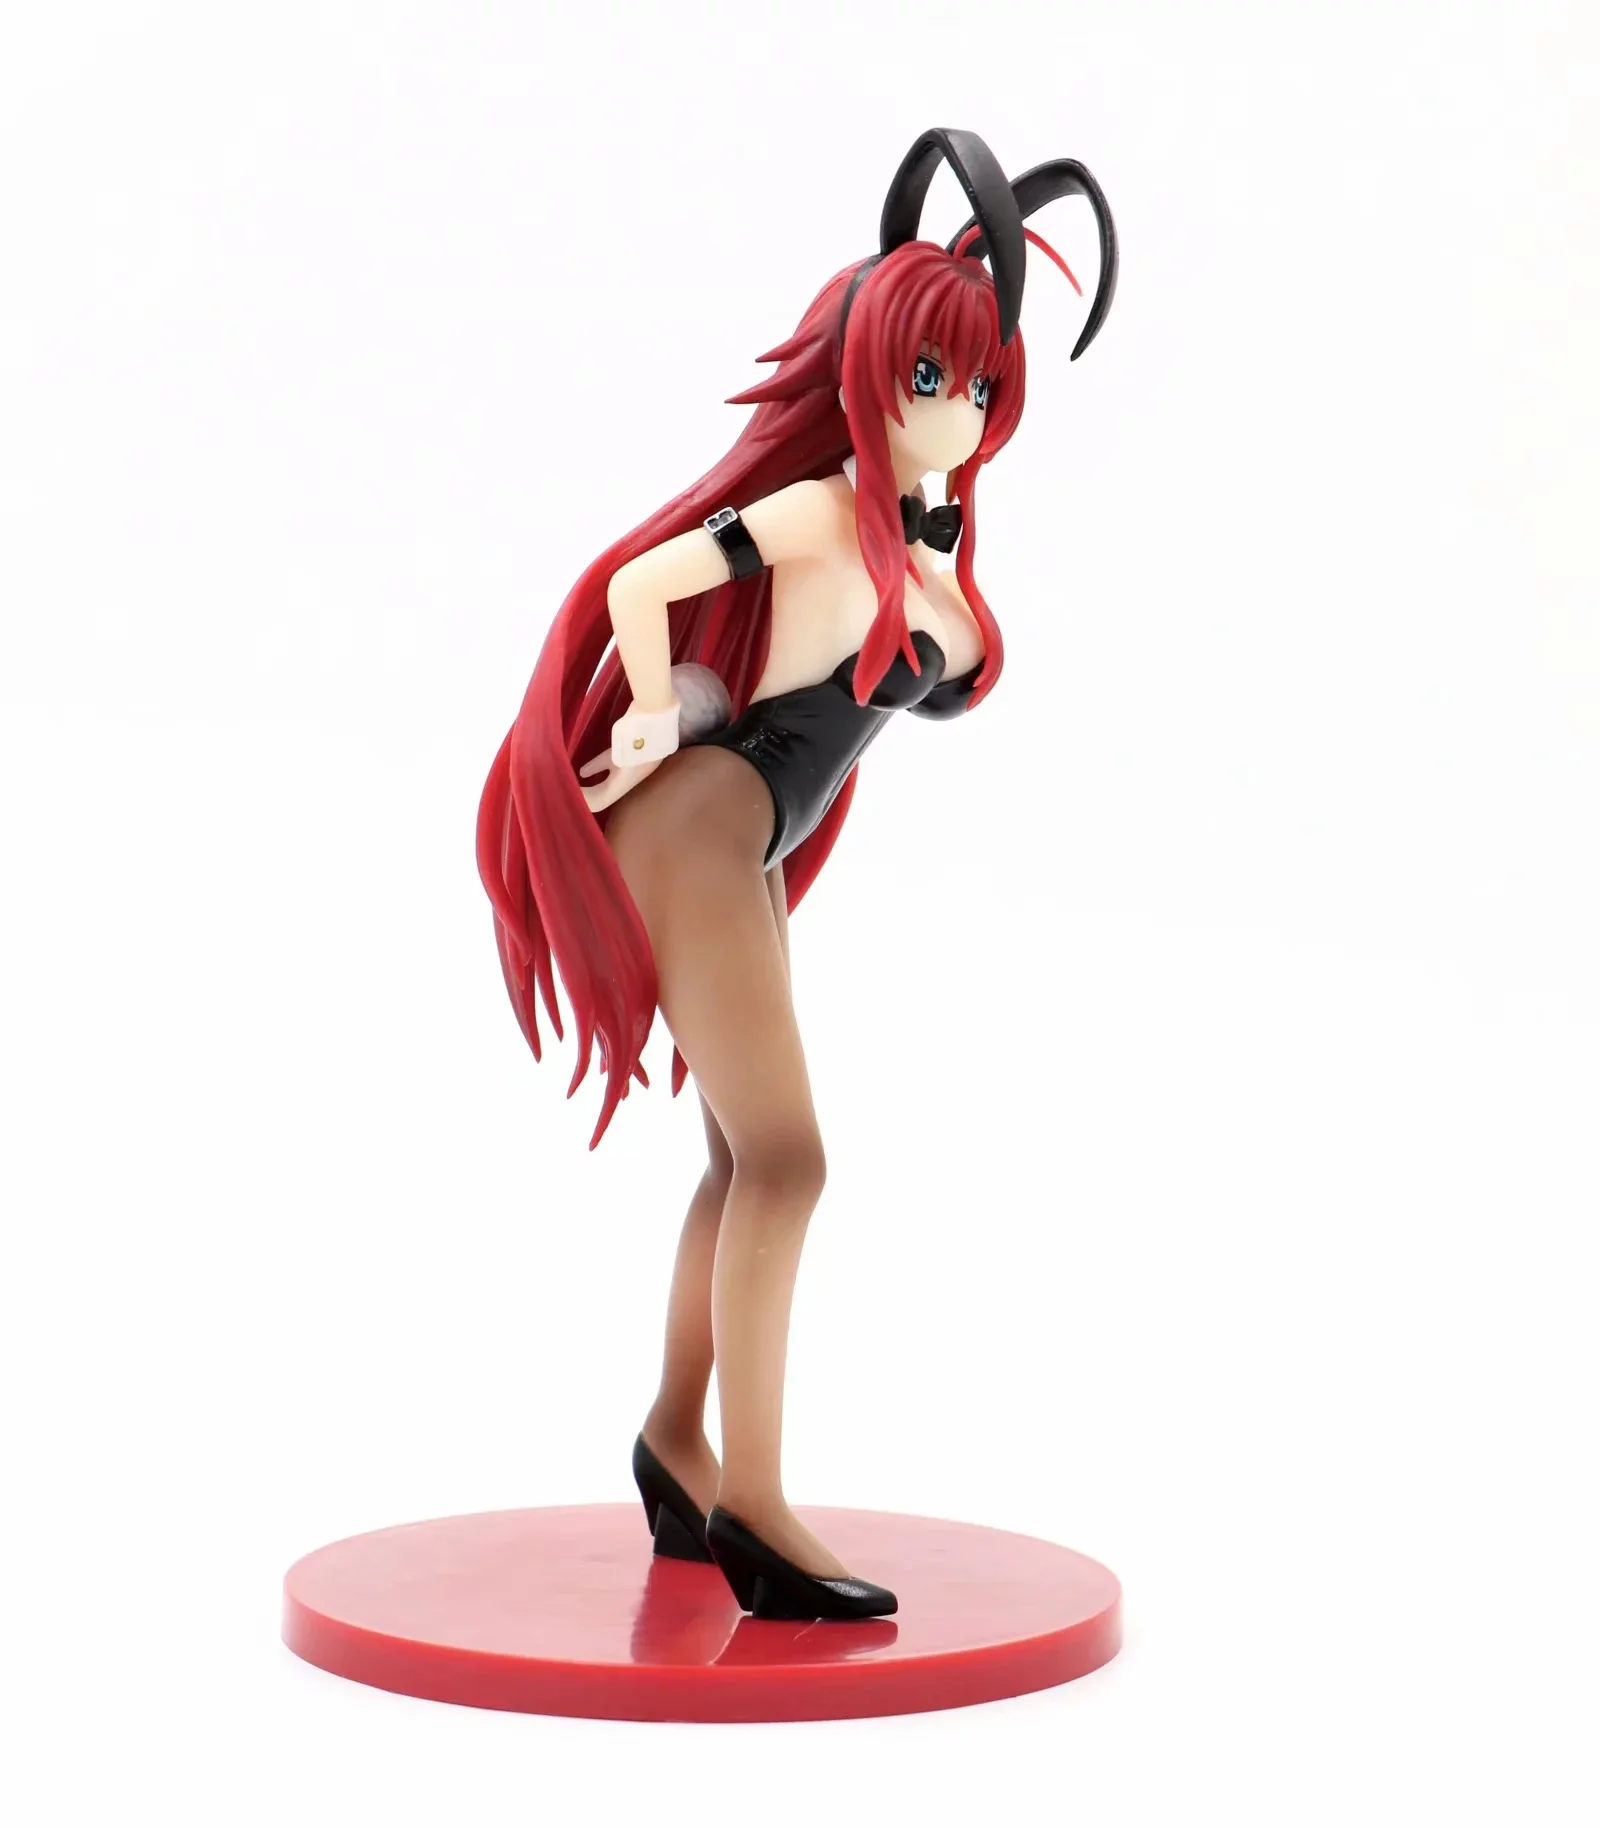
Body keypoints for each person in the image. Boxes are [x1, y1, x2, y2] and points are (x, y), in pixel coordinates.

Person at [478, 128, 1118, 1620]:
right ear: (868, 369)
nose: (954, 412)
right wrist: (654, 707)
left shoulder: (919, 539)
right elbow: (643, 582)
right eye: (928, 376)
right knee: (789, 1163)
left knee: (740, 1162)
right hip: (704, 819)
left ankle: (676, 1441)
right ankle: (755, 1507)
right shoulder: (826, 511)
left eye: (978, 385)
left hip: (745, 836)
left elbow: (934, 654)